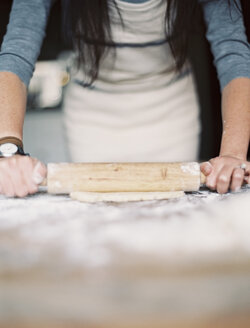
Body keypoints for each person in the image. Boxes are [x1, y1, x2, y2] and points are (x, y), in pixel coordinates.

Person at [0, 0, 249, 198]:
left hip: (170, 111)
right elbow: (18, 51)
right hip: (93, 115)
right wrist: (9, 149)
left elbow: (233, 55)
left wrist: (233, 155)